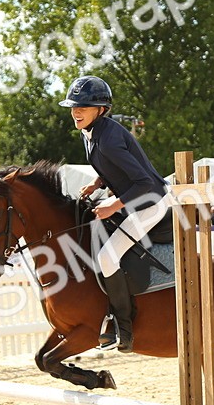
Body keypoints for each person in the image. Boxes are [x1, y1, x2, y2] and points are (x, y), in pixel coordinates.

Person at [62, 75, 170, 353]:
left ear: (101, 109)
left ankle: (123, 326)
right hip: (132, 200)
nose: (76, 111)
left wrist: (113, 204)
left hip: (150, 203)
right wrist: (98, 183)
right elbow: (111, 168)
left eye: (83, 107)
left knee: (107, 257)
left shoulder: (107, 138)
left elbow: (145, 183)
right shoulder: (93, 133)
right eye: (74, 106)